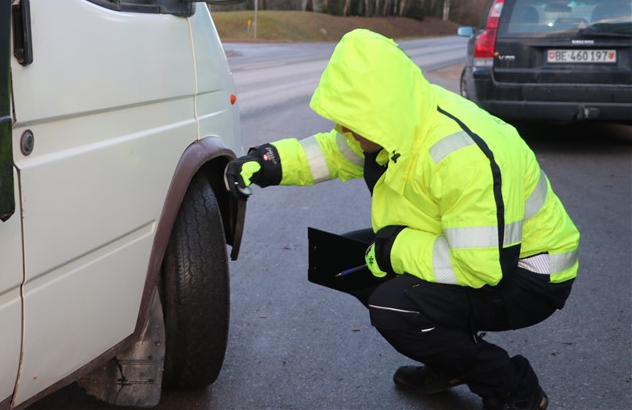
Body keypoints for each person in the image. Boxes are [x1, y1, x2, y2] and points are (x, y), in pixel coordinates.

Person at [225, 29, 579, 410]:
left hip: (529, 272)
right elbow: (332, 152)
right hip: (472, 250)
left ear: (380, 112)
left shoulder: (462, 156)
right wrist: (266, 162)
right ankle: (449, 358)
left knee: (395, 305)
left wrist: (393, 251)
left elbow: (481, 267)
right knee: (347, 261)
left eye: (351, 122)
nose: (345, 130)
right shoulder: (395, 121)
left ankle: (513, 389)